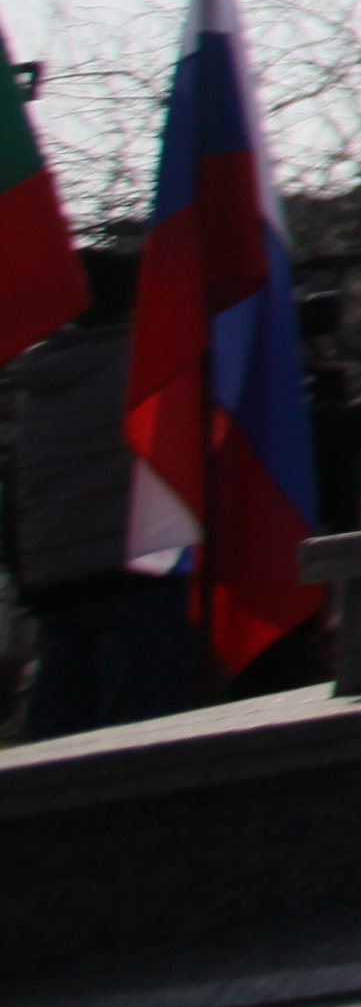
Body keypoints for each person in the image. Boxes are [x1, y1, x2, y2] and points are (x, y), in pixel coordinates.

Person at [5, 251, 183, 736]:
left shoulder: (42, 379)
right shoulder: (149, 365)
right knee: (138, 748)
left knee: (58, 751)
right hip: (134, 577)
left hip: (56, 582)